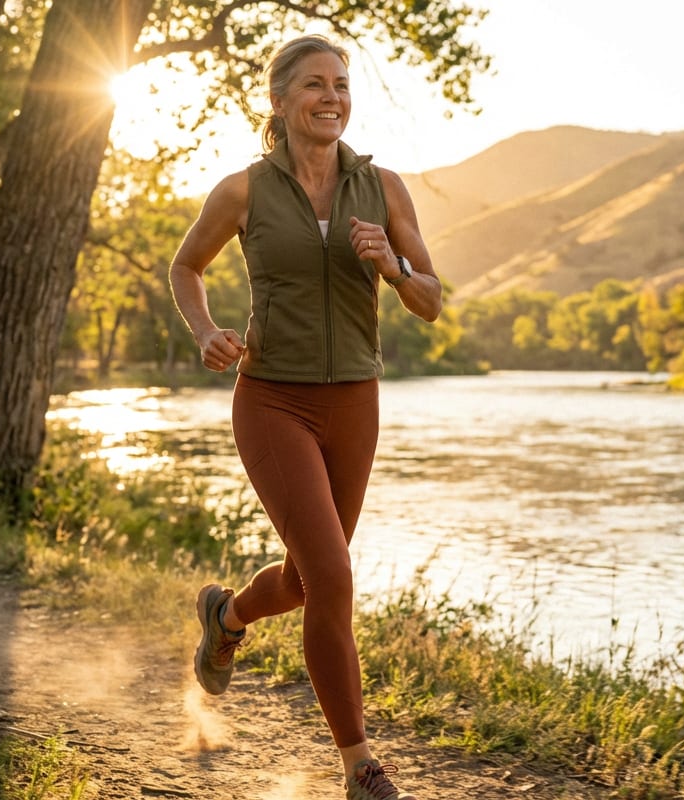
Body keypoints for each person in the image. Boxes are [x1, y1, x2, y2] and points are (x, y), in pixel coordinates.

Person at [168, 34, 442, 800]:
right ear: (281, 99)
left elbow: (430, 300)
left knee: (302, 578)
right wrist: (205, 330)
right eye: (317, 84)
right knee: (331, 576)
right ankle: (359, 766)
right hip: (273, 400)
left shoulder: (383, 187)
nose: (333, 97)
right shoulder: (243, 191)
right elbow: (185, 266)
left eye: (342, 84)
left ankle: (226, 617)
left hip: (355, 403)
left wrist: (393, 266)